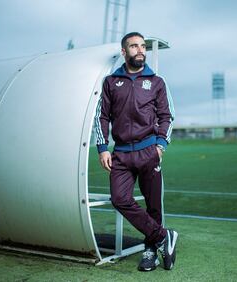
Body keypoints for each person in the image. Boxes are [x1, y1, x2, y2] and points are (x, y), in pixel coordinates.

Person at [94, 32, 177, 271]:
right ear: (124, 52)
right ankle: (163, 237)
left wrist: (160, 145)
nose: (140, 50)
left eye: (142, 46)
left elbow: (167, 117)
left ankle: (150, 250)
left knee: (154, 205)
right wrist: (102, 148)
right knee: (119, 199)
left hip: (148, 151)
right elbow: (102, 116)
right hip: (120, 154)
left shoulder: (157, 81)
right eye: (134, 46)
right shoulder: (110, 82)